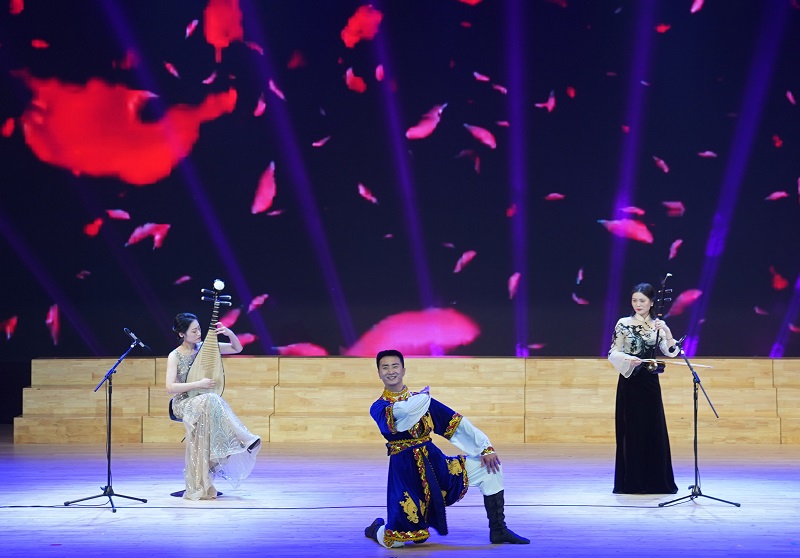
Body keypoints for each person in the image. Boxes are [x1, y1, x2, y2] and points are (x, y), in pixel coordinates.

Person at [364, 349, 529, 548]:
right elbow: (402, 415)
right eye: (385, 367)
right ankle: (376, 529)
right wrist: (422, 399)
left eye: (395, 366)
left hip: (435, 466)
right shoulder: (379, 407)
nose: (391, 371)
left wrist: (484, 447)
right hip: (405, 474)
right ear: (379, 373)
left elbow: (455, 423)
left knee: (490, 468)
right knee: (397, 541)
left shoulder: (423, 401)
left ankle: (499, 530)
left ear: (403, 370)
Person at [166, 312, 261, 501]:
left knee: (210, 401)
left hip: (204, 403)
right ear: (182, 334)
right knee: (211, 398)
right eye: (194, 331)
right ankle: (243, 438)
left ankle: (202, 481)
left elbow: (237, 348)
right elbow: (170, 387)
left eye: (199, 329)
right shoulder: (174, 356)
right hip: (183, 403)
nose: (198, 333)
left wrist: (229, 333)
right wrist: (198, 384)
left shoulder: (206, 349)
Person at [607, 283, 680, 494]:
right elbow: (612, 352)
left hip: (650, 382)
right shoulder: (623, 323)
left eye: (642, 300)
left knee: (653, 429)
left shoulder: (657, 325)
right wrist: (627, 358)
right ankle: (632, 483)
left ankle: (657, 482)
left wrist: (667, 331)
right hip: (630, 381)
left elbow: (671, 351)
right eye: (634, 300)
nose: (638, 304)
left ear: (651, 302)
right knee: (632, 430)